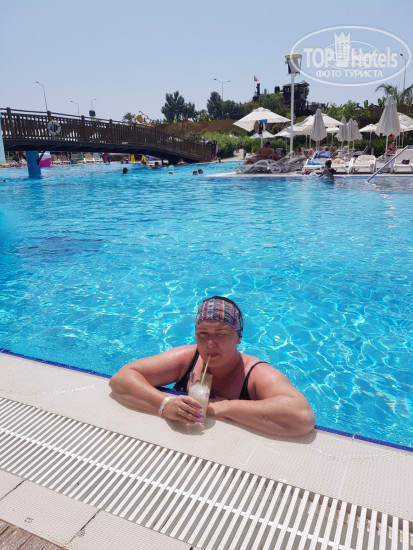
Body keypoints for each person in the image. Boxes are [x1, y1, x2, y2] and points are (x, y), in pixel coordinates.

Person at [109, 296, 315, 438]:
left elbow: (302, 417)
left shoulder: (255, 374)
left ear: (238, 338)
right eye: (202, 334)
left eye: (221, 334)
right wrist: (165, 405)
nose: (210, 344)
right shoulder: (187, 359)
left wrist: (226, 408)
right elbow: (121, 379)